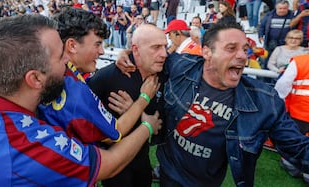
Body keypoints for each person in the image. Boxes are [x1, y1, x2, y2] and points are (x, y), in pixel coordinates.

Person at [0, 14, 162, 186]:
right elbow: (110, 165)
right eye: (61, 56)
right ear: (34, 78)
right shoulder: (31, 148)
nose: (68, 60)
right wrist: (147, 125)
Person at [117, 20, 309, 186]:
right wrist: (128, 54)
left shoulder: (264, 101)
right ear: (207, 52)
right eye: (231, 48)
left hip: (206, 182)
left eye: (244, 49)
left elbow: (299, 149)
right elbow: (150, 57)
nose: (243, 56)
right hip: (168, 171)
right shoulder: (181, 65)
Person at [38, 8, 160, 146]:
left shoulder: (54, 70)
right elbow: (114, 132)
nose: (102, 51)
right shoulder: (74, 91)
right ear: (72, 45)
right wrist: (144, 99)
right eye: (97, 44)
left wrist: (125, 53)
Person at [88, 24, 168, 187]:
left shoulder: (164, 73)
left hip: (143, 160)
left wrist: (135, 111)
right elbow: (85, 123)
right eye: (156, 47)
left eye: (165, 47)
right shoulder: (107, 77)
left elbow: (158, 124)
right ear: (136, 50)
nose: (164, 54)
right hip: (115, 167)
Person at [275, 53, 309, 180]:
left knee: (294, 140)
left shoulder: (300, 61)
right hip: (300, 110)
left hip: (299, 111)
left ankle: (291, 165)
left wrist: (280, 105)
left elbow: (282, 85)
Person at [258, 0, 295, 67]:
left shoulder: (292, 16)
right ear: (276, 8)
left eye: (284, 8)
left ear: (288, 8)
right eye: (280, 8)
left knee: (280, 60)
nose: (282, 10)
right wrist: (260, 35)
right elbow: (262, 26)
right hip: (270, 41)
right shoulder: (269, 15)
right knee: (266, 58)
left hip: (285, 43)